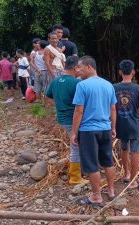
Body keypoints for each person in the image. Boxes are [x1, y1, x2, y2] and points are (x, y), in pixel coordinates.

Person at [71, 56, 117, 205]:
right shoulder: (108, 85)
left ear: (89, 67)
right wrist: (113, 127)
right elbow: (113, 108)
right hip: (105, 128)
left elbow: (78, 111)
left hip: (88, 130)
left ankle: (96, 196)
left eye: (80, 67)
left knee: (91, 164)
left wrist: (74, 132)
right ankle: (111, 191)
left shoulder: (82, 86)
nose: (77, 70)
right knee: (108, 161)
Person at [46, 56, 88, 185]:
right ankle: (75, 176)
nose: (80, 71)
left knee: (77, 145)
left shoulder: (55, 81)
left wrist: (60, 106)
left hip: (62, 119)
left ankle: (81, 170)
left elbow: (48, 96)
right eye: (79, 68)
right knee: (76, 147)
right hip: (73, 119)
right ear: (75, 68)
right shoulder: (76, 83)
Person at [114, 60, 139, 190]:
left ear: (120, 72)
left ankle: (126, 174)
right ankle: (133, 181)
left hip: (120, 125)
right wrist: (136, 112)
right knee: (135, 152)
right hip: (134, 125)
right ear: (133, 72)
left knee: (124, 149)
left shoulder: (113, 88)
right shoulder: (138, 89)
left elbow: (111, 107)